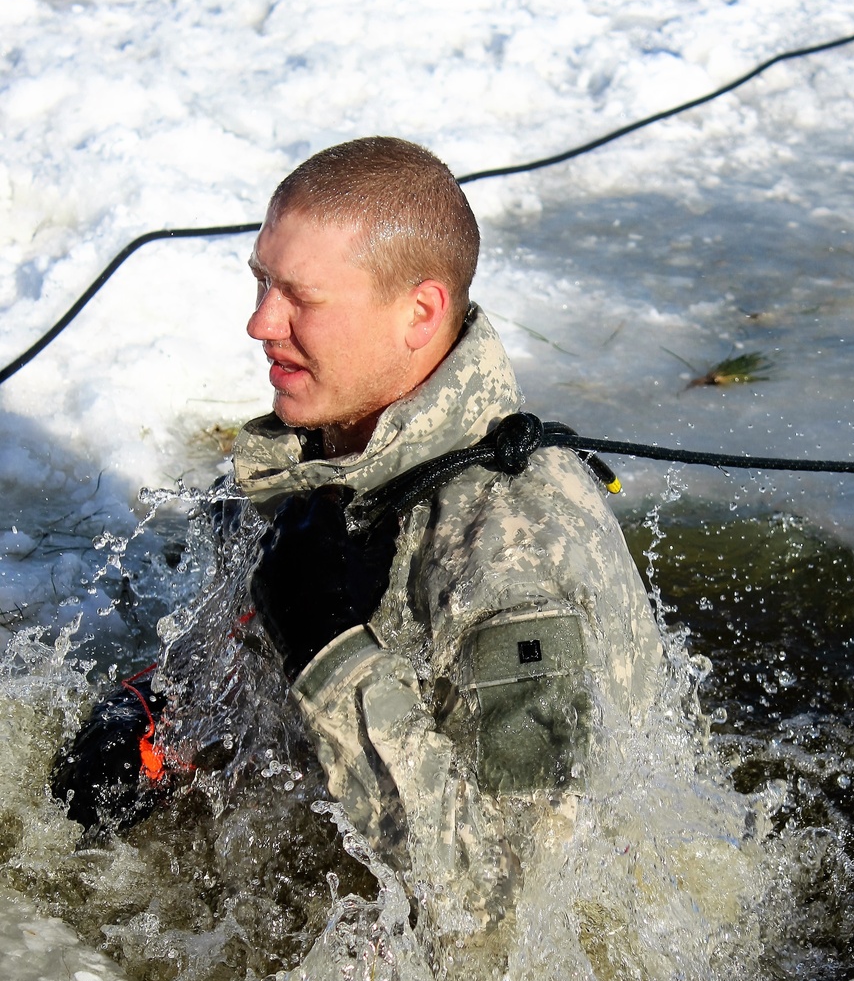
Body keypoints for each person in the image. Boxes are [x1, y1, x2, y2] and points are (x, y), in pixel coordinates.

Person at [54, 136, 664, 936]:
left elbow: (512, 906)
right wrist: (164, 714)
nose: (259, 322)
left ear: (420, 312)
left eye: (299, 297)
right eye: (261, 283)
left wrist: (329, 654)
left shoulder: (511, 549)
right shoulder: (336, 452)